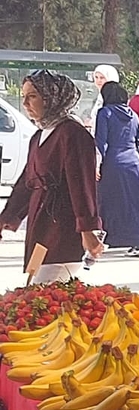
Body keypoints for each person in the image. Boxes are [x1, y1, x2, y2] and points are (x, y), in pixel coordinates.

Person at [0, 71, 104, 281]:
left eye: (33, 96)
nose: (25, 103)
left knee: (49, 291)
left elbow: (81, 185)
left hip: (62, 224)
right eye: (24, 97)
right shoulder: (39, 136)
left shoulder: (73, 134)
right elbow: (27, 183)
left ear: (51, 98)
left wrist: (87, 229)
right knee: (38, 289)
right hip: (40, 223)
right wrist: (5, 219)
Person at [95, 82, 139, 256]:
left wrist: (97, 164)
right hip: (134, 162)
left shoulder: (104, 113)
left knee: (111, 202)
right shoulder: (133, 115)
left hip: (113, 162)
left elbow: (101, 141)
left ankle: (110, 238)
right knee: (137, 203)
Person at [86, 65, 119, 132]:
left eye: (102, 78)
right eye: (96, 77)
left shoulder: (114, 97)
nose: (98, 80)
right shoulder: (99, 96)